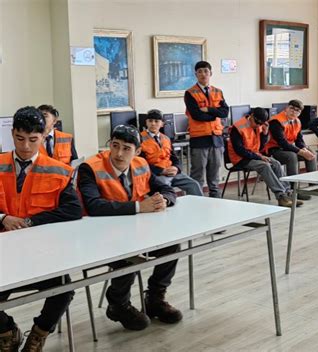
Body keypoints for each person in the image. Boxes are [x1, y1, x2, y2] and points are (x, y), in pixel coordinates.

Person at [77, 125, 182, 331]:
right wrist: (138, 207)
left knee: (172, 244)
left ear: (137, 151)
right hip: (101, 236)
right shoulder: (90, 167)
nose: (118, 153)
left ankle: (155, 298)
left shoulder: (141, 163)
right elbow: (93, 205)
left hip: (135, 230)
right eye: (114, 146)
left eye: (126, 148)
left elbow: (166, 188)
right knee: (129, 253)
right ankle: (118, 303)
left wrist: (164, 201)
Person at [0, 106, 82, 351]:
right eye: (20, 139)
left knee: (64, 289)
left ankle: (39, 333)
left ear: (44, 137)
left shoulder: (59, 171)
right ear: (12, 134)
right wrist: (3, 217)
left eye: (33, 140)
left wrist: (31, 222)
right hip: (5, 254)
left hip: (43, 253)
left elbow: (73, 210)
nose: (26, 146)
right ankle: (7, 331)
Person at [228, 107, 301, 207]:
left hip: (254, 155)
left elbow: (260, 147)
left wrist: (265, 134)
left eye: (260, 124)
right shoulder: (238, 127)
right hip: (240, 159)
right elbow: (239, 151)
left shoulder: (259, 126)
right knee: (264, 165)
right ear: (252, 116)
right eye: (256, 123)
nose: (258, 126)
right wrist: (259, 157)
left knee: (275, 163)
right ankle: (281, 196)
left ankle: (288, 193)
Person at [184, 61, 229, 198]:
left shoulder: (218, 91)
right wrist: (214, 114)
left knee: (214, 173)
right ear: (195, 74)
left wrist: (208, 110)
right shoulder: (190, 93)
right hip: (199, 139)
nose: (203, 74)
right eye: (200, 71)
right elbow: (197, 115)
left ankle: (216, 200)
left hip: (216, 138)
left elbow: (225, 112)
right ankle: (195, 200)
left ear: (210, 73)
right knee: (198, 173)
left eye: (206, 71)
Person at [140, 109, 203, 196]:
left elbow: (174, 158)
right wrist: (162, 171)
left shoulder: (166, 138)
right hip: (156, 174)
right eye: (150, 121)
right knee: (166, 190)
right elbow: (141, 164)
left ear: (162, 124)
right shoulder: (140, 139)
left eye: (156, 121)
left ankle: (198, 208)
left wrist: (176, 168)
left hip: (171, 172)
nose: (153, 123)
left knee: (194, 185)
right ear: (146, 122)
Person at [264, 99, 316, 200]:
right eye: (292, 108)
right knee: (291, 156)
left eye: (297, 110)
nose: (294, 112)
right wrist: (300, 152)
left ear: (300, 113)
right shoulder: (276, 121)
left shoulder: (297, 121)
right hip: (275, 149)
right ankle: (293, 190)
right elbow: (282, 143)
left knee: (311, 152)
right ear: (287, 108)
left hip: (288, 148)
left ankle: (314, 187)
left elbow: (299, 140)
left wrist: (304, 149)